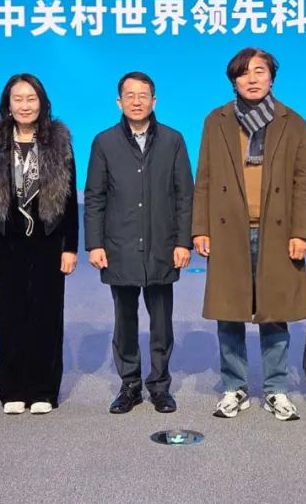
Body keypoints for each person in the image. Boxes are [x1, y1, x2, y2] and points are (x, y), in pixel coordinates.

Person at [193, 47, 306, 422]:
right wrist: (200, 228)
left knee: (275, 313)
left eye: (259, 71)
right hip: (229, 231)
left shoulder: (293, 121)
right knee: (228, 312)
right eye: (244, 73)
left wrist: (301, 232)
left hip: (277, 231)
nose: (252, 78)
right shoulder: (216, 120)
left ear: (271, 77)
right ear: (234, 81)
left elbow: (303, 182)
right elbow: (204, 177)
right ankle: (235, 387)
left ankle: (276, 388)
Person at [84, 71, 194, 415]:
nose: (136, 101)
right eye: (129, 96)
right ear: (119, 102)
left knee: (161, 322)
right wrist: (94, 244)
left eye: (143, 95)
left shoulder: (173, 140)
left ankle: (160, 386)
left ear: (154, 101)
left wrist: (183, 242)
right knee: (125, 320)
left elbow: (184, 196)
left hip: (162, 245)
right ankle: (129, 385)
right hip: (120, 246)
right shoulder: (104, 142)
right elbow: (95, 196)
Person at [0, 73, 78, 415]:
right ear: (8, 104)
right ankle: (13, 390)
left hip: (49, 240)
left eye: (31, 99)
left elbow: (70, 201)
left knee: (47, 316)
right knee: (12, 315)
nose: (24, 105)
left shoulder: (59, 141)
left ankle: (44, 390)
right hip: (8, 241)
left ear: (42, 103)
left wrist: (70, 247)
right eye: (18, 99)